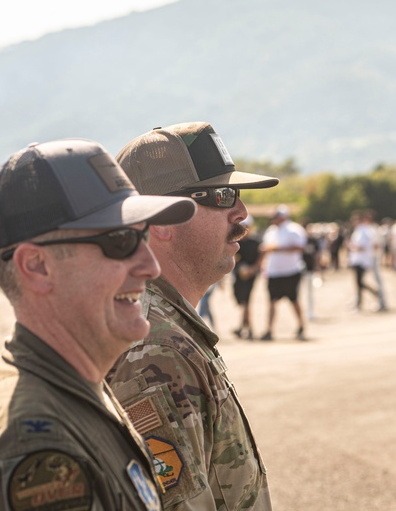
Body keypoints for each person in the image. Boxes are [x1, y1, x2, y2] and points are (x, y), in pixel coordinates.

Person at [0, 138, 197, 511]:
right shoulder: (39, 447)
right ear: (37, 266)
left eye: (143, 235)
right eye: (122, 240)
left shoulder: (74, 387)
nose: (150, 266)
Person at [109, 122, 278, 510]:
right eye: (223, 195)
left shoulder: (166, 326)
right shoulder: (156, 348)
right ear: (162, 219)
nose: (242, 211)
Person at [260, 204, 308, 341]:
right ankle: (269, 329)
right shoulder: (271, 231)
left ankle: (301, 325)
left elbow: (300, 247)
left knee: (293, 300)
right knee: (272, 301)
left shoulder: (294, 230)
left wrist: (278, 249)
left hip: (290, 271)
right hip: (274, 271)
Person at [348, 209, 388, 312]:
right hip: (367, 259)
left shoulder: (369, 230)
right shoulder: (365, 230)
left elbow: (374, 245)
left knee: (364, 282)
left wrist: (355, 247)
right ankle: (362, 302)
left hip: (368, 259)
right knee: (360, 282)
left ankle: (380, 300)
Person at [231, 215, 262, 339]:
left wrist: (253, 269)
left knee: (246, 301)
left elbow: (261, 256)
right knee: (242, 301)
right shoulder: (236, 243)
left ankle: (247, 329)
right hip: (239, 275)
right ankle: (245, 328)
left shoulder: (255, 242)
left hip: (250, 275)